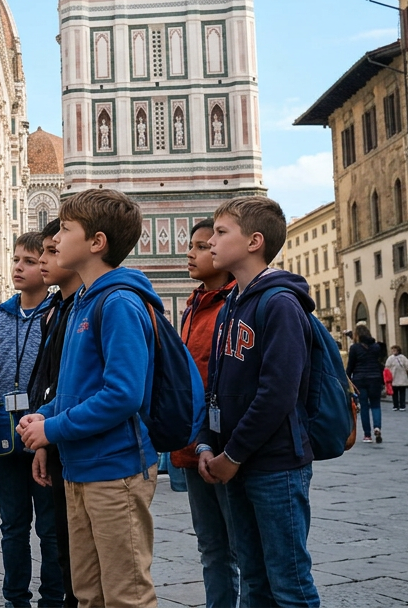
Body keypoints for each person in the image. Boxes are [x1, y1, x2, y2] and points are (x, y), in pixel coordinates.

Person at [17, 189, 163, 608]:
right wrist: (42, 419)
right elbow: (74, 390)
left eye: (64, 229)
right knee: (87, 595)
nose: (55, 240)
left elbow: (122, 395)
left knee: (126, 596)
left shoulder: (118, 302)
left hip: (115, 471)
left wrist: (53, 427)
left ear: (96, 243)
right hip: (80, 469)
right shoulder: (81, 303)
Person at [198, 196, 320, 608]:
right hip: (235, 464)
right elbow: (215, 386)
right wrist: (205, 443)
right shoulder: (231, 304)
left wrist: (232, 454)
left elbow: (278, 394)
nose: (209, 242)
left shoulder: (281, 303)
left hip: (275, 466)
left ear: (253, 241)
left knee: (289, 584)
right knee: (253, 579)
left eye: (220, 232)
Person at [0, 232, 62, 608]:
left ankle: (52, 599)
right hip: (5, 435)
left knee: (50, 528)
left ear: (45, 266)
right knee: (12, 526)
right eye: (17, 260)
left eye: (29, 260)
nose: (20, 267)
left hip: (44, 436)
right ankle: (14, 598)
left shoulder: (60, 315)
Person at [174, 219, 240, 608]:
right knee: (212, 546)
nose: (193, 253)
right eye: (194, 245)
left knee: (240, 546)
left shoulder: (238, 304)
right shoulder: (193, 305)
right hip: (194, 443)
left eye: (202, 246)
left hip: (225, 445)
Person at [26, 219, 82, 608]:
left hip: (97, 459)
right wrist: (44, 428)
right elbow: (54, 382)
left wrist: (51, 427)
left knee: (105, 574)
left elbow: (120, 393)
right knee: (68, 550)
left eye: (51, 249)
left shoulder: (107, 304)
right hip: (62, 446)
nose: (49, 256)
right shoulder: (58, 310)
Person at [346, 323, 385, 443]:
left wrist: (347, 379)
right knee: (376, 405)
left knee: (364, 407)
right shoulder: (376, 347)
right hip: (375, 378)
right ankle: (377, 427)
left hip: (360, 379)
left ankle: (367, 435)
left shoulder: (354, 348)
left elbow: (350, 366)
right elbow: (380, 363)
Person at [385, 345, 408, 412]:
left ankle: (396, 406)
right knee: (400, 393)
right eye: (392, 350)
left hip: (394, 378)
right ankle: (401, 406)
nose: (393, 351)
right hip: (402, 378)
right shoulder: (403, 358)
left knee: (396, 393)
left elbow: (387, 368)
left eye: (394, 350)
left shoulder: (390, 358)